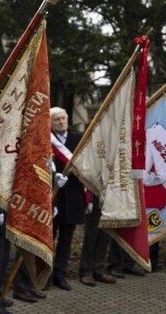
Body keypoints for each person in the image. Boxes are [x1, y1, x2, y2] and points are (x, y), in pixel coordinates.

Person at [48, 107, 85, 290]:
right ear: (50, 123)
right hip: (53, 197)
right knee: (49, 238)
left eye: (63, 118)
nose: (61, 122)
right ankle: (44, 276)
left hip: (73, 196)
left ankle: (60, 274)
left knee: (66, 239)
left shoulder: (78, 139)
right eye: (56, 120)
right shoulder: (46, 140)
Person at [78, 195, 117, 286]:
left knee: (105, 235)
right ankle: (85, 271)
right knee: (91, 236)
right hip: (94, 196)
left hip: (109, 198)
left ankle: (98, 269)